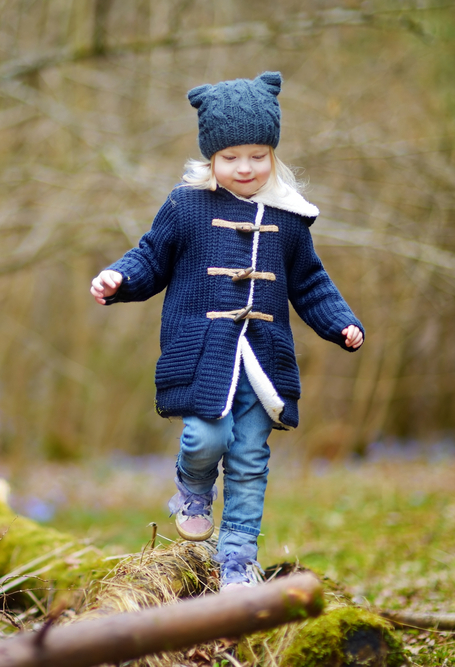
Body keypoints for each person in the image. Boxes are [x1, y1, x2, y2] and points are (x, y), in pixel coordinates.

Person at [89, 72, 364, 591]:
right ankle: (192, 486)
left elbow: (311, 284)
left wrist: (342, 323)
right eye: (232, 156)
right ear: (211, 158)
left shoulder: (288, 219)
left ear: (273, 155)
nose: (246, 167)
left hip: (263, 362)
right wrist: (118, 278)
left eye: (258, 155)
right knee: (204, 437)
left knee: (250, 460)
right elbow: (151, 257)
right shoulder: (186, 206)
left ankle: (237, 558)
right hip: (203, 355)